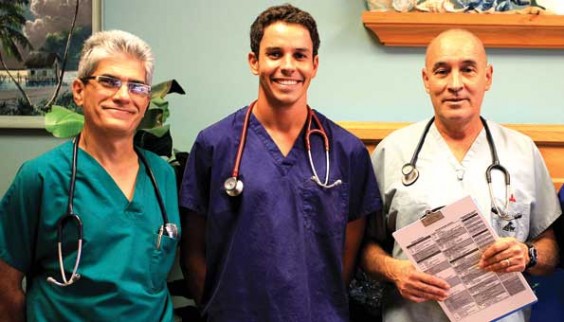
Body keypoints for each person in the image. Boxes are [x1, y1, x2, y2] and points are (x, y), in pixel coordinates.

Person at [179, 4, 381, 322]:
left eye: (299, 55)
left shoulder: (346, 151)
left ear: (314, 65)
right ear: (254, 61)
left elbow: (347, 255)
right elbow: (193, 251)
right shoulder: (214, 144)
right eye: (275, 54)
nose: (288, 66)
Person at [361, 29, 561, 322]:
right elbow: (363, 248)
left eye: (468, 70)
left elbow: (551, 250)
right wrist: (395, 270)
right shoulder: (393, 152)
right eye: (442, 71)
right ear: (426, 79)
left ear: (488, 77)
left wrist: (527, 255)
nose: (455, 84)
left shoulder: (522, 151)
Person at [0, 30, 180, 321]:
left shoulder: (162, 176)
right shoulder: (41, 177)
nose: (123, 96)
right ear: (79, 91)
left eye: (137, 87)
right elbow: (5, 287)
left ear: (146, 101)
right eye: (109, 81)